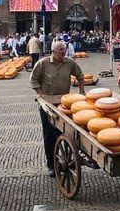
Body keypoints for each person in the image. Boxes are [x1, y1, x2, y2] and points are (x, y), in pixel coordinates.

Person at [29, 41, 85, 177]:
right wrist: (41, 94)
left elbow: (80, 75)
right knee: (49, 134)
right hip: (47, 104)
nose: (64, 52)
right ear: (53, 51)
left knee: (65, 132)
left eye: (64, 49)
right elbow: (33, 80)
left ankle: (65, 157)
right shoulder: (43, 64)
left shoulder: (69, 63)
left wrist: (82, 91)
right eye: (61, 50)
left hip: (64, 103)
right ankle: (51, 164)